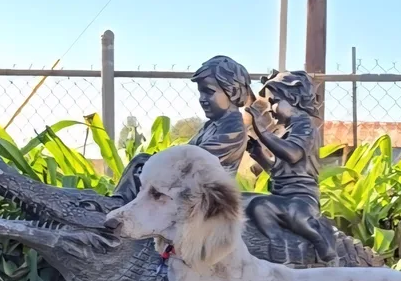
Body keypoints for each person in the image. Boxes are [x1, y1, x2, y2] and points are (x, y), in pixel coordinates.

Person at [112, 55, 253, 203]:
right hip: (189, 186)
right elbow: (186, 150)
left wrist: (160, 163)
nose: (202, 98)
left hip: (203, 197)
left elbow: (194, 160)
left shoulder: (233, 129)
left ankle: (120, 204)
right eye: (200, 92)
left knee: (145, 165)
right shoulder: (211, 125)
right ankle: (120, 202)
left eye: (209, 92)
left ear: (233, 93)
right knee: (142, 160)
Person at [244, 70, 337, 263]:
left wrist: (262, 131)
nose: (270, 109)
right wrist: (259, 154)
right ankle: (277, 238)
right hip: (282, 198)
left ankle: (312, 236)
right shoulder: (284, 131)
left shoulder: (304, 125)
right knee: (240, 200)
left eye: (274, 101)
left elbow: (293, 154)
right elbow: (279, 172)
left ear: (293, 99)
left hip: (300, 199)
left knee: (261, 206)